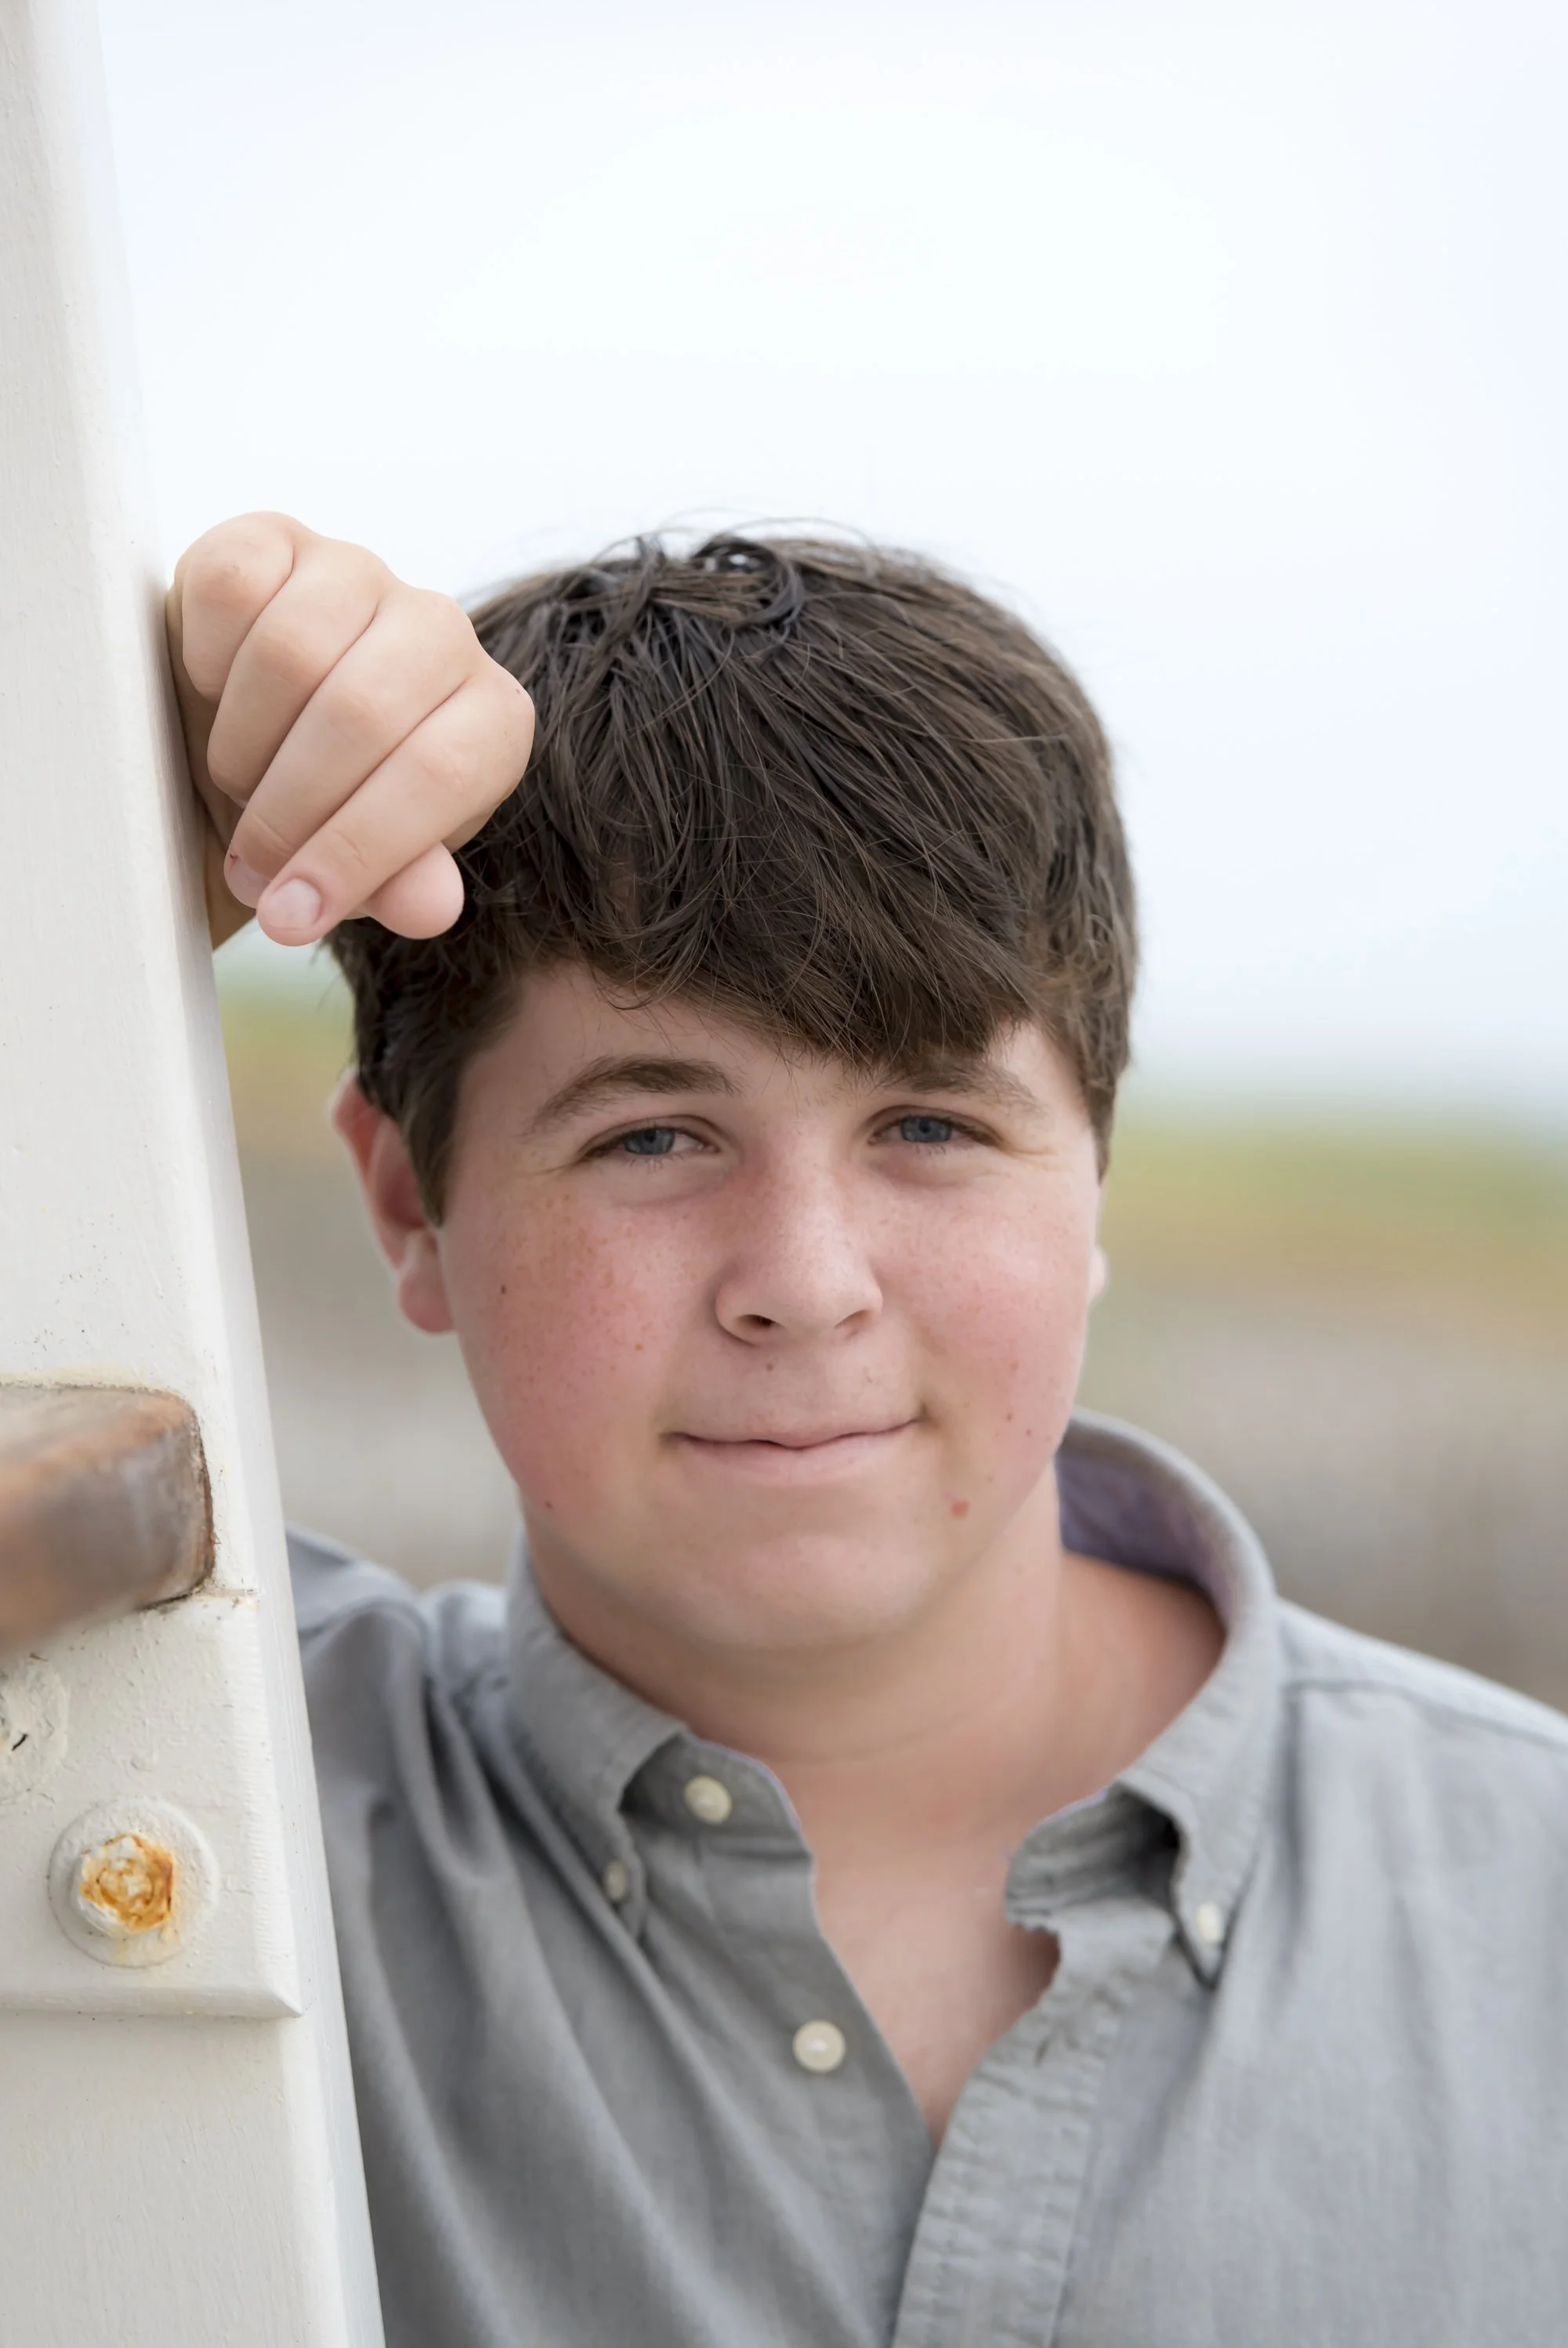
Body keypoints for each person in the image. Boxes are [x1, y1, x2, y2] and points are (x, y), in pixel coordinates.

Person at [169, 513, 1568, 2348]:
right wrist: (89, 867)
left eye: (929, 1125)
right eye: (651, 1134)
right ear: (407, 1206)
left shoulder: (1531, 1897)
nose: (804, 1283)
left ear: (1095, 1177)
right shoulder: (192, 1812)